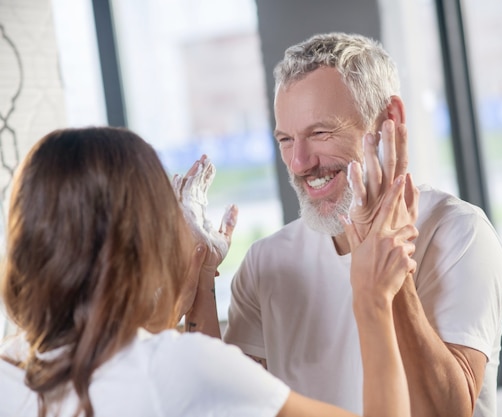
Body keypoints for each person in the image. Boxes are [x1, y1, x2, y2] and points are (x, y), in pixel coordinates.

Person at [0, 126, 418, 416]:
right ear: (144, 241)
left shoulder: (12, 369)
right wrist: (372, 297)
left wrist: (199, 282)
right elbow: (172, 377)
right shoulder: (179, 370)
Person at [223, 32, 502, 417]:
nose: (299, 162)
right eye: (286, 139)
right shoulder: (265, 263)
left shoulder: (460, 234)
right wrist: (196, 283)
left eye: (320, 132)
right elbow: (228, 407)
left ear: (388, 119)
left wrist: (390, 272)